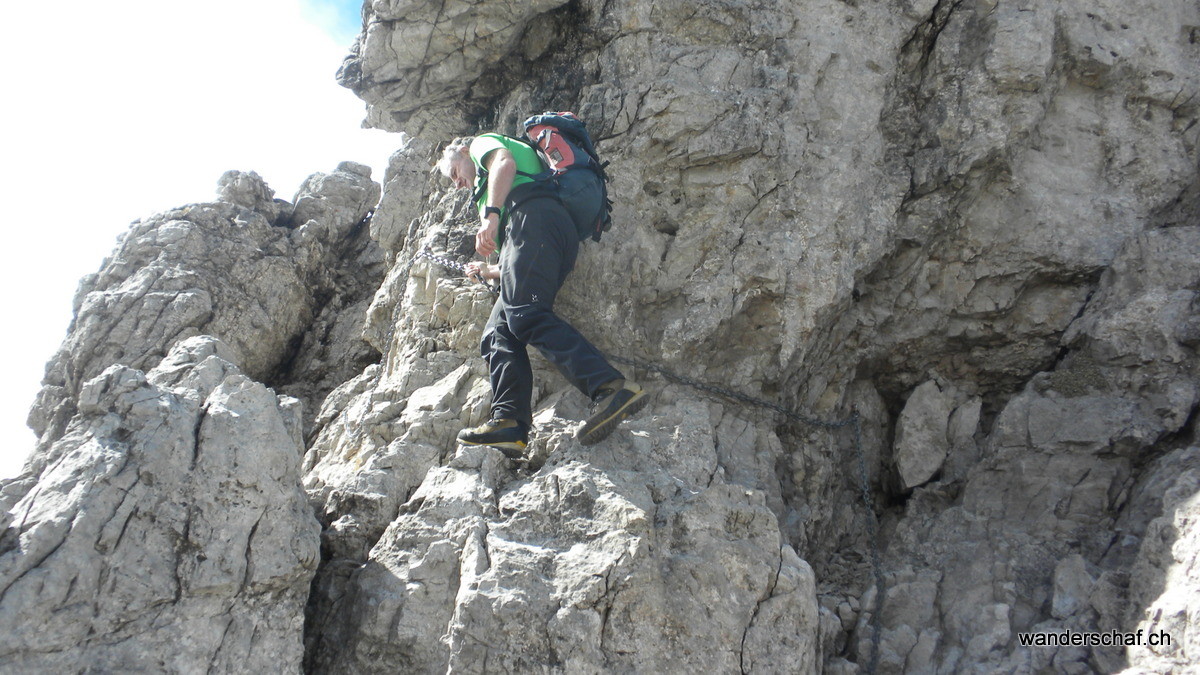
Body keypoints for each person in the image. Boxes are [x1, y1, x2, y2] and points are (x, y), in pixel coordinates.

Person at [436, 133, 646, 456]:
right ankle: (509, 422)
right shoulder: (488, 190)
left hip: (538, 219)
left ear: (463, 151)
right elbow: (517, 257)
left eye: (454, 174)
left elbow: (504, 163)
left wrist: (490, 217)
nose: (457, 184)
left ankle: (611, 387)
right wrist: (487, 270)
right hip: (538, 235)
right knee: (497, 333)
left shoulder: (481, 146)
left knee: (526, 315)